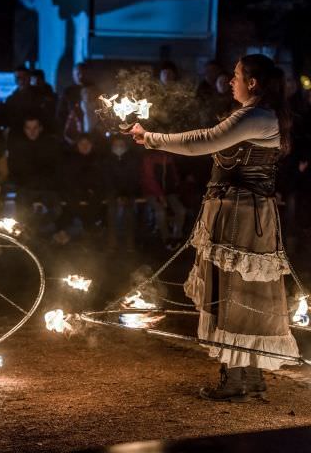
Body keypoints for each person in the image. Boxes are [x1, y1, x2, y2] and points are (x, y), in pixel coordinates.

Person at [127, 54, 300, 401]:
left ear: (252, 83)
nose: (230, 81)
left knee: (237, 293)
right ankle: (248, 377)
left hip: (244, 217)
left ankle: (238, 380)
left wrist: (152, 138)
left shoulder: (257, 116)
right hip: (238, 212)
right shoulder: (254, 115)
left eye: (236, 76)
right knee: (240, 292)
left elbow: (202, 141)